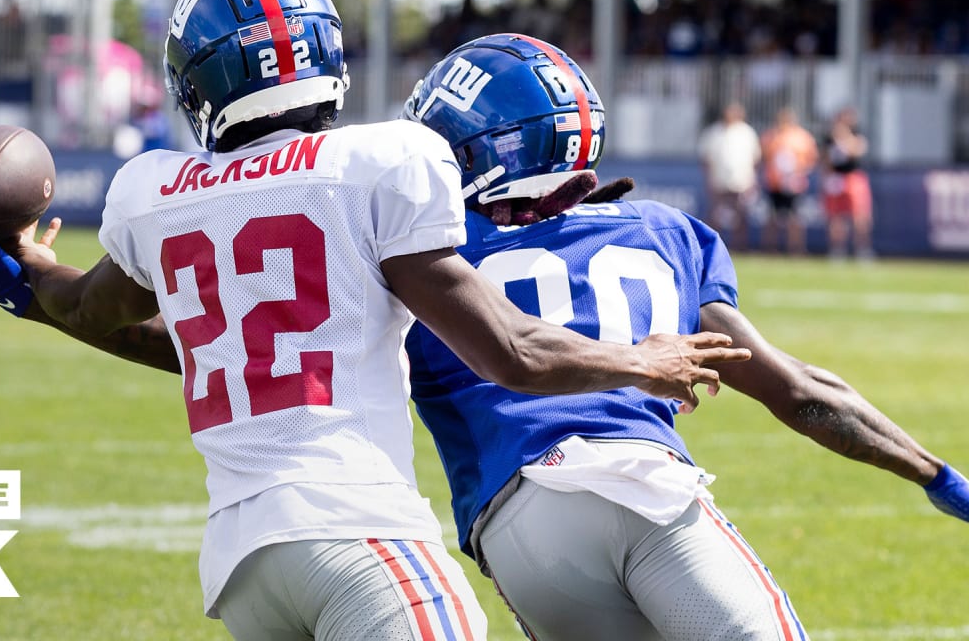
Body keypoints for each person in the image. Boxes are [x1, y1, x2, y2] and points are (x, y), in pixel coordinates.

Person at [0, 0, 750, 641]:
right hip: (358, 528)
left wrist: (22, 270)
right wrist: (636, 361)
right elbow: (512, 351)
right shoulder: (379, 162)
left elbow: (99, 314)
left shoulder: (153, 192)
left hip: (244, 564)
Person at [401, 33, 969, 640]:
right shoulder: (664, 231)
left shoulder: (419, 259)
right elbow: (800, 392)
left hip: (516, 529)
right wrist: (936, 475)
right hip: (644, 491)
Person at [698, 102, 761, 251]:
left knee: (741, 217)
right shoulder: (713, 132)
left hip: (741, 182)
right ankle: (712, 247)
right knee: (715, 216)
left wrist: (752, 181)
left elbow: (755, 158)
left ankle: (739, 247)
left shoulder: (747, 133)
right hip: (719, 181)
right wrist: (709, 180)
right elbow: (705, 159)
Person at [759, 107, 818, 255]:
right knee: (772, 217)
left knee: (795, 219)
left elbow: (811, 159)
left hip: (795, 184)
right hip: (775, 183)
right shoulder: (771, 136)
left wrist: (799, 173)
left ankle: (795, 249)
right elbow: (764, 157)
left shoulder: (802, 137)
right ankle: (769, 249)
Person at [821, 106, 873, 260]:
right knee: (836, 217)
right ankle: (837, 249)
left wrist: (843, 138)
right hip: (836, 178)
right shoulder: (829, 138)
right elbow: (825, 160)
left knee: (860, 216)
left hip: (853, 177)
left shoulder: (856, 135)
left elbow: (857, 150)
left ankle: (862, 248)